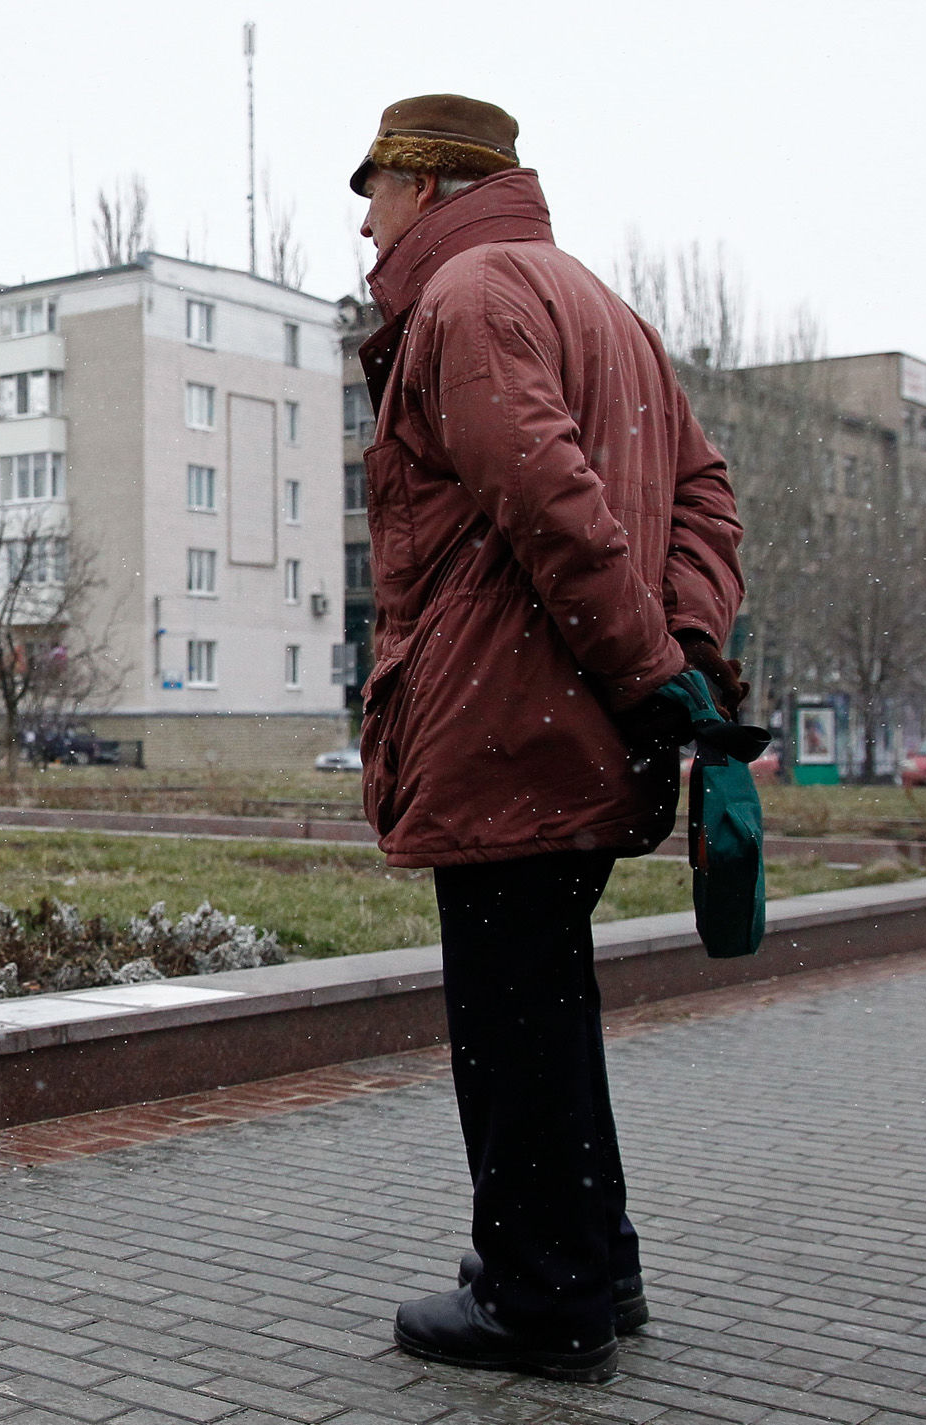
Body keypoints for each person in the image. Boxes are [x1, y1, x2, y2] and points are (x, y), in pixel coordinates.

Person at [348, 95, 745, 1383]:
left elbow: (544, 498)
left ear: (427, 182)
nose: (363, 218)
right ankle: (589, 1254)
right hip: (572, 722)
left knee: (511, 1023)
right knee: (549, 1006)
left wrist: (648, 669)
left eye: (372, 188)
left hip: (509, 717)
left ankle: (542, 1300)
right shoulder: (604, 308)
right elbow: (701, 496)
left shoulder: (467, 297)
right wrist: (677, 656)